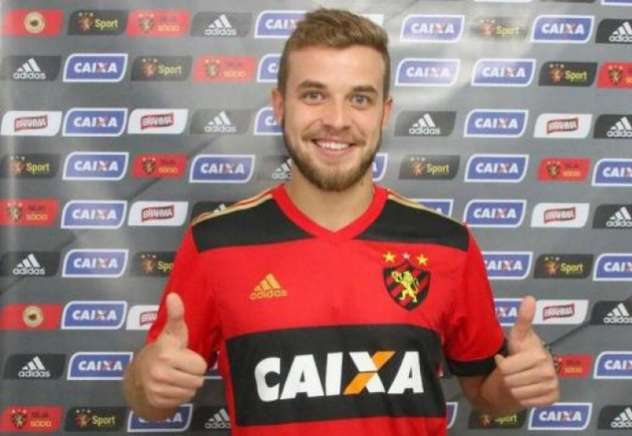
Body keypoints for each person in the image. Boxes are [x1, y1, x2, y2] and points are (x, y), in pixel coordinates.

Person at [122, 8, 558, 435]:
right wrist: (149, 380)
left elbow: (484, 393)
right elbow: (149, 402)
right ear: (279, 105)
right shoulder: (214, 243)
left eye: (360, 99)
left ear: (384, 113)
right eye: (314, 94)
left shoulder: (448, 244)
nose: (336, 120)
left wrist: (517, 384)